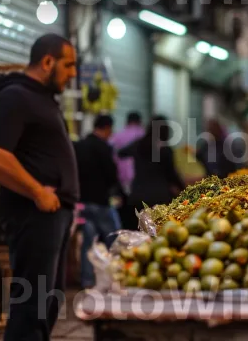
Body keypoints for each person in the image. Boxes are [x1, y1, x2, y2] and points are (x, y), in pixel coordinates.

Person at [0, 34, 78, 341]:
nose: (73, 73)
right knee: (32, 303)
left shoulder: (41, 99)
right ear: (47, 62)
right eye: (69, 65)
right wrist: (38, 191)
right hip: (34, 213)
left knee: (48, 300)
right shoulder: (16, 97)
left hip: (53, 214)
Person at [74, 114, 119, 289]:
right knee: (114, 241)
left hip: (82, 202)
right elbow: (112, 175)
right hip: (100, 202)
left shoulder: (80, 145)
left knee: (88, 242)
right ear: (107, 128)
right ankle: (118, 278)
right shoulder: (104, 148)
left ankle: (87, 281)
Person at [119, 115, 185, 230]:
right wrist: (184, 190)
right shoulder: (165, 150)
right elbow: (172, 175)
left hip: (138, 197)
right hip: (159, 198)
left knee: (139, 235)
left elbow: (121, 153)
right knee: (157, 234)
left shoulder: (138, 144)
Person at [110, 112, 145, 195]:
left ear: (127, 121)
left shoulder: (118, 135)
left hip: (122, 177)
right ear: (140, 122)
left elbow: (112, 153)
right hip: (140, 178)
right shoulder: (144, 135)